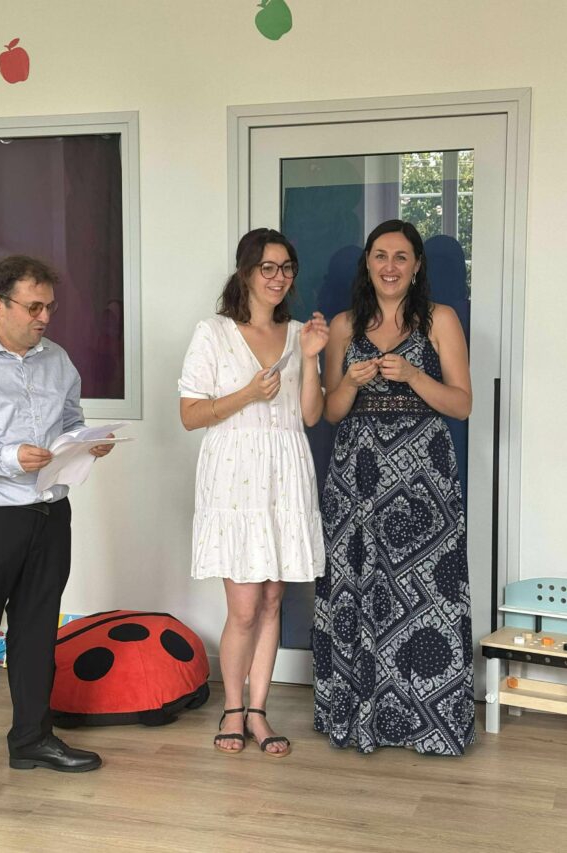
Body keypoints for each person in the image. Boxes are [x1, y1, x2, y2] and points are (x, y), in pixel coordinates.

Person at [0, 255, 114, 806]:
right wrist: (10, 458)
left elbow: (71, 420)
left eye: (50, 306)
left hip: (51, 513)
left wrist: (87, 440)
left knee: (36, 634)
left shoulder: (58, 361)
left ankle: (32, 739)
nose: (44, 317)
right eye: (34, 306)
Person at [313, 219, 475, 755]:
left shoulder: (439, 321)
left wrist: (411, 376)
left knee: (424, 597)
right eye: (380, 255)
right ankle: (359, 717)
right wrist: (350, 383)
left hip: (424, 480)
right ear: (367, 263)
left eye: (401, 257)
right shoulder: (342, 327)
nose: (389, 266)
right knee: (357, 591)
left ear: (417, 266)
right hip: (356, 478)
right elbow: (332, 413)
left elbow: (462, 404)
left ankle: (426, 723)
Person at [179, 228, 328, 757]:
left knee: (271, 599)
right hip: (234, 474)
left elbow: (311, 415)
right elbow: (190, 415)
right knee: (243, 605)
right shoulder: (214, 332)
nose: (279, 277)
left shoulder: (297, 334)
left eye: (287, 268)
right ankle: (232, 708)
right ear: (245, 272)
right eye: (268, 267)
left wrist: (310, 357)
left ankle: (259, 711)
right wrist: (247, 393)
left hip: (286, 472)